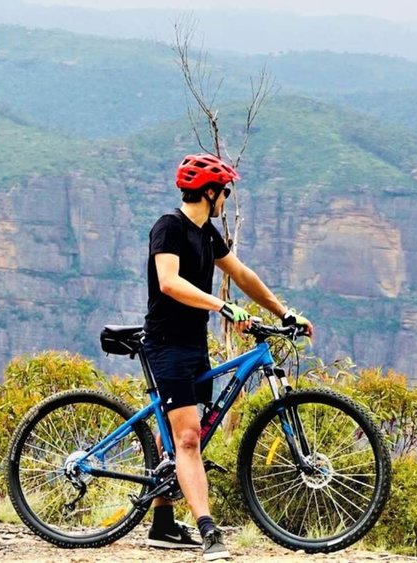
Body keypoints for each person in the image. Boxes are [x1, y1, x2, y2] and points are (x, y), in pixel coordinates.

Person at [143, 153, 313, 561]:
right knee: (186, 438)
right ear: (208, 191)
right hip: (166, 344)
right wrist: (220, 307)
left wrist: (282, 311)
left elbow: (242, 275)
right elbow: (169, 282)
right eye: (225, 192)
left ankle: (162, 524)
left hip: (194, 345)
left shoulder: (208, 235)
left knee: (183, 434)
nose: (227, 199)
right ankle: (208, 532)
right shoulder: (170, 228)